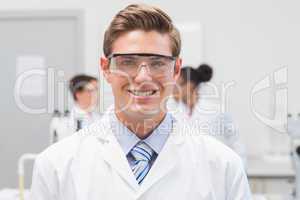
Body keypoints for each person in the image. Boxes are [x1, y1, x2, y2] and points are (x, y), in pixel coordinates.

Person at [30, 4, 252, 199]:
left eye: (157, 63)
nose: (143, 77)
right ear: (106, 69)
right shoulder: (55, 166)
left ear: (175, 70)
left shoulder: (223, 166)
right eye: (127, 61)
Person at [169, 64, 248, 167]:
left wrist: (241, 169)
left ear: (191, 85)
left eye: (178, 85)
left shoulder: (216, 111)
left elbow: (236, 142)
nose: (173, 90)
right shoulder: (172, 111)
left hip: (214, 171)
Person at [49, 74, 102, 142]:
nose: (97, 94)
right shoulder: (62, 122)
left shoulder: (101, 118)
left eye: (97, 90)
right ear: (78, 94)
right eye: (92, 90)